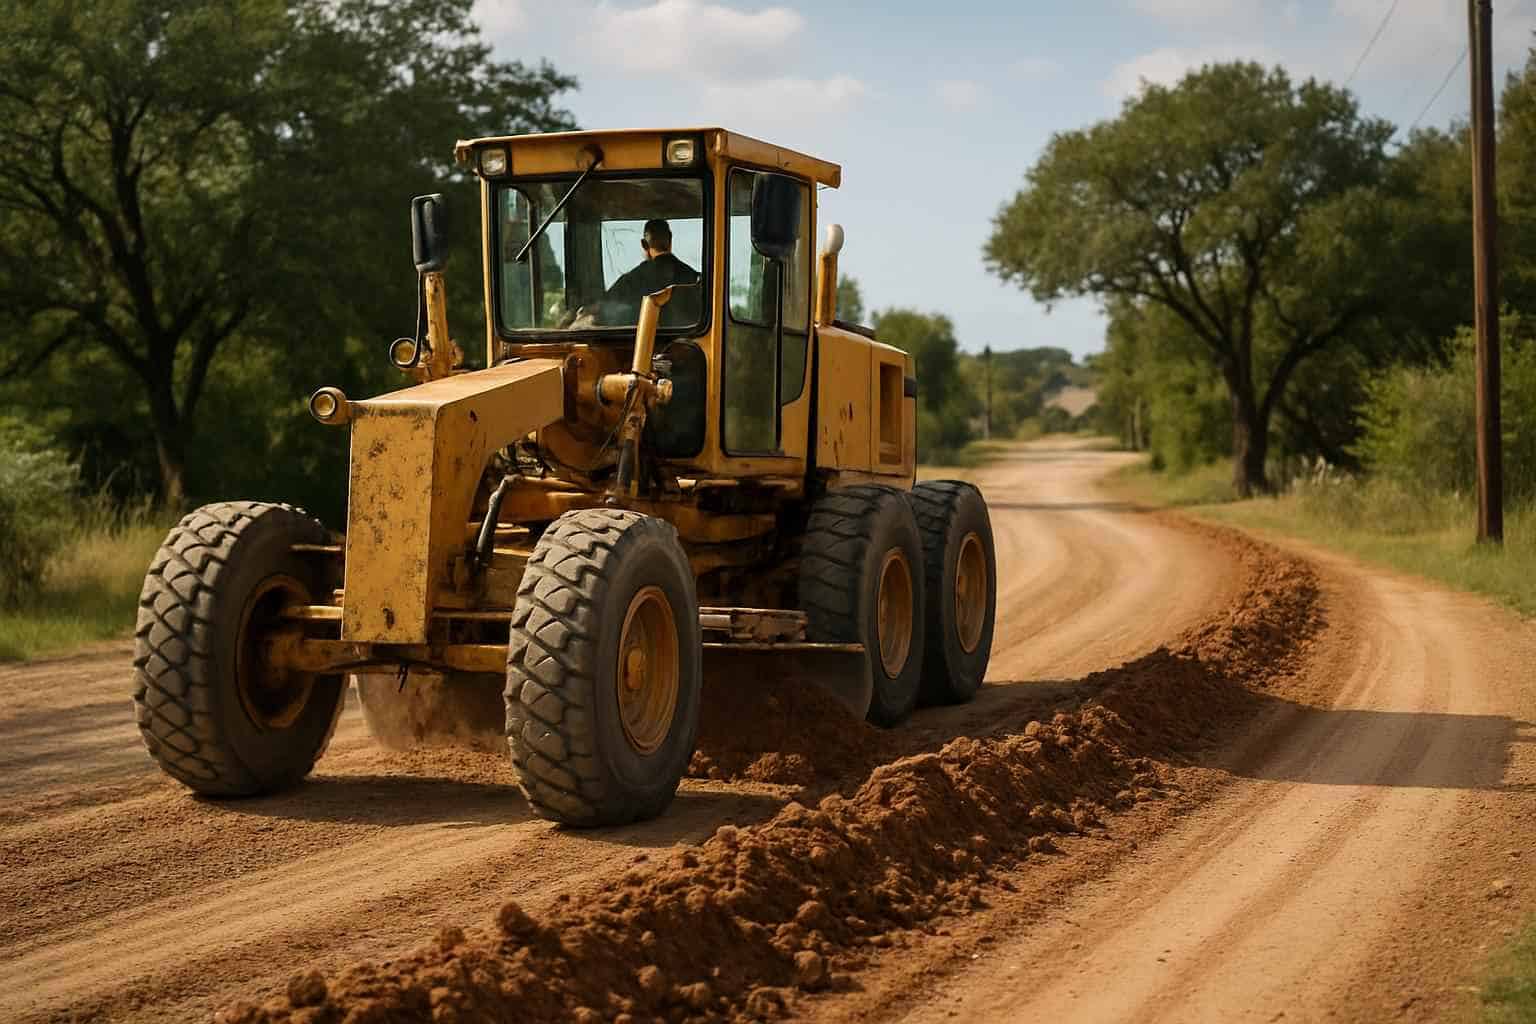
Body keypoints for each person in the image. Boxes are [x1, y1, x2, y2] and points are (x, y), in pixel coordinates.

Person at [597, 219, 702, 327]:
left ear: (644, 244)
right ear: (670, 238)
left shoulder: (629, 281)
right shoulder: (695, 278)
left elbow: (602, 313)